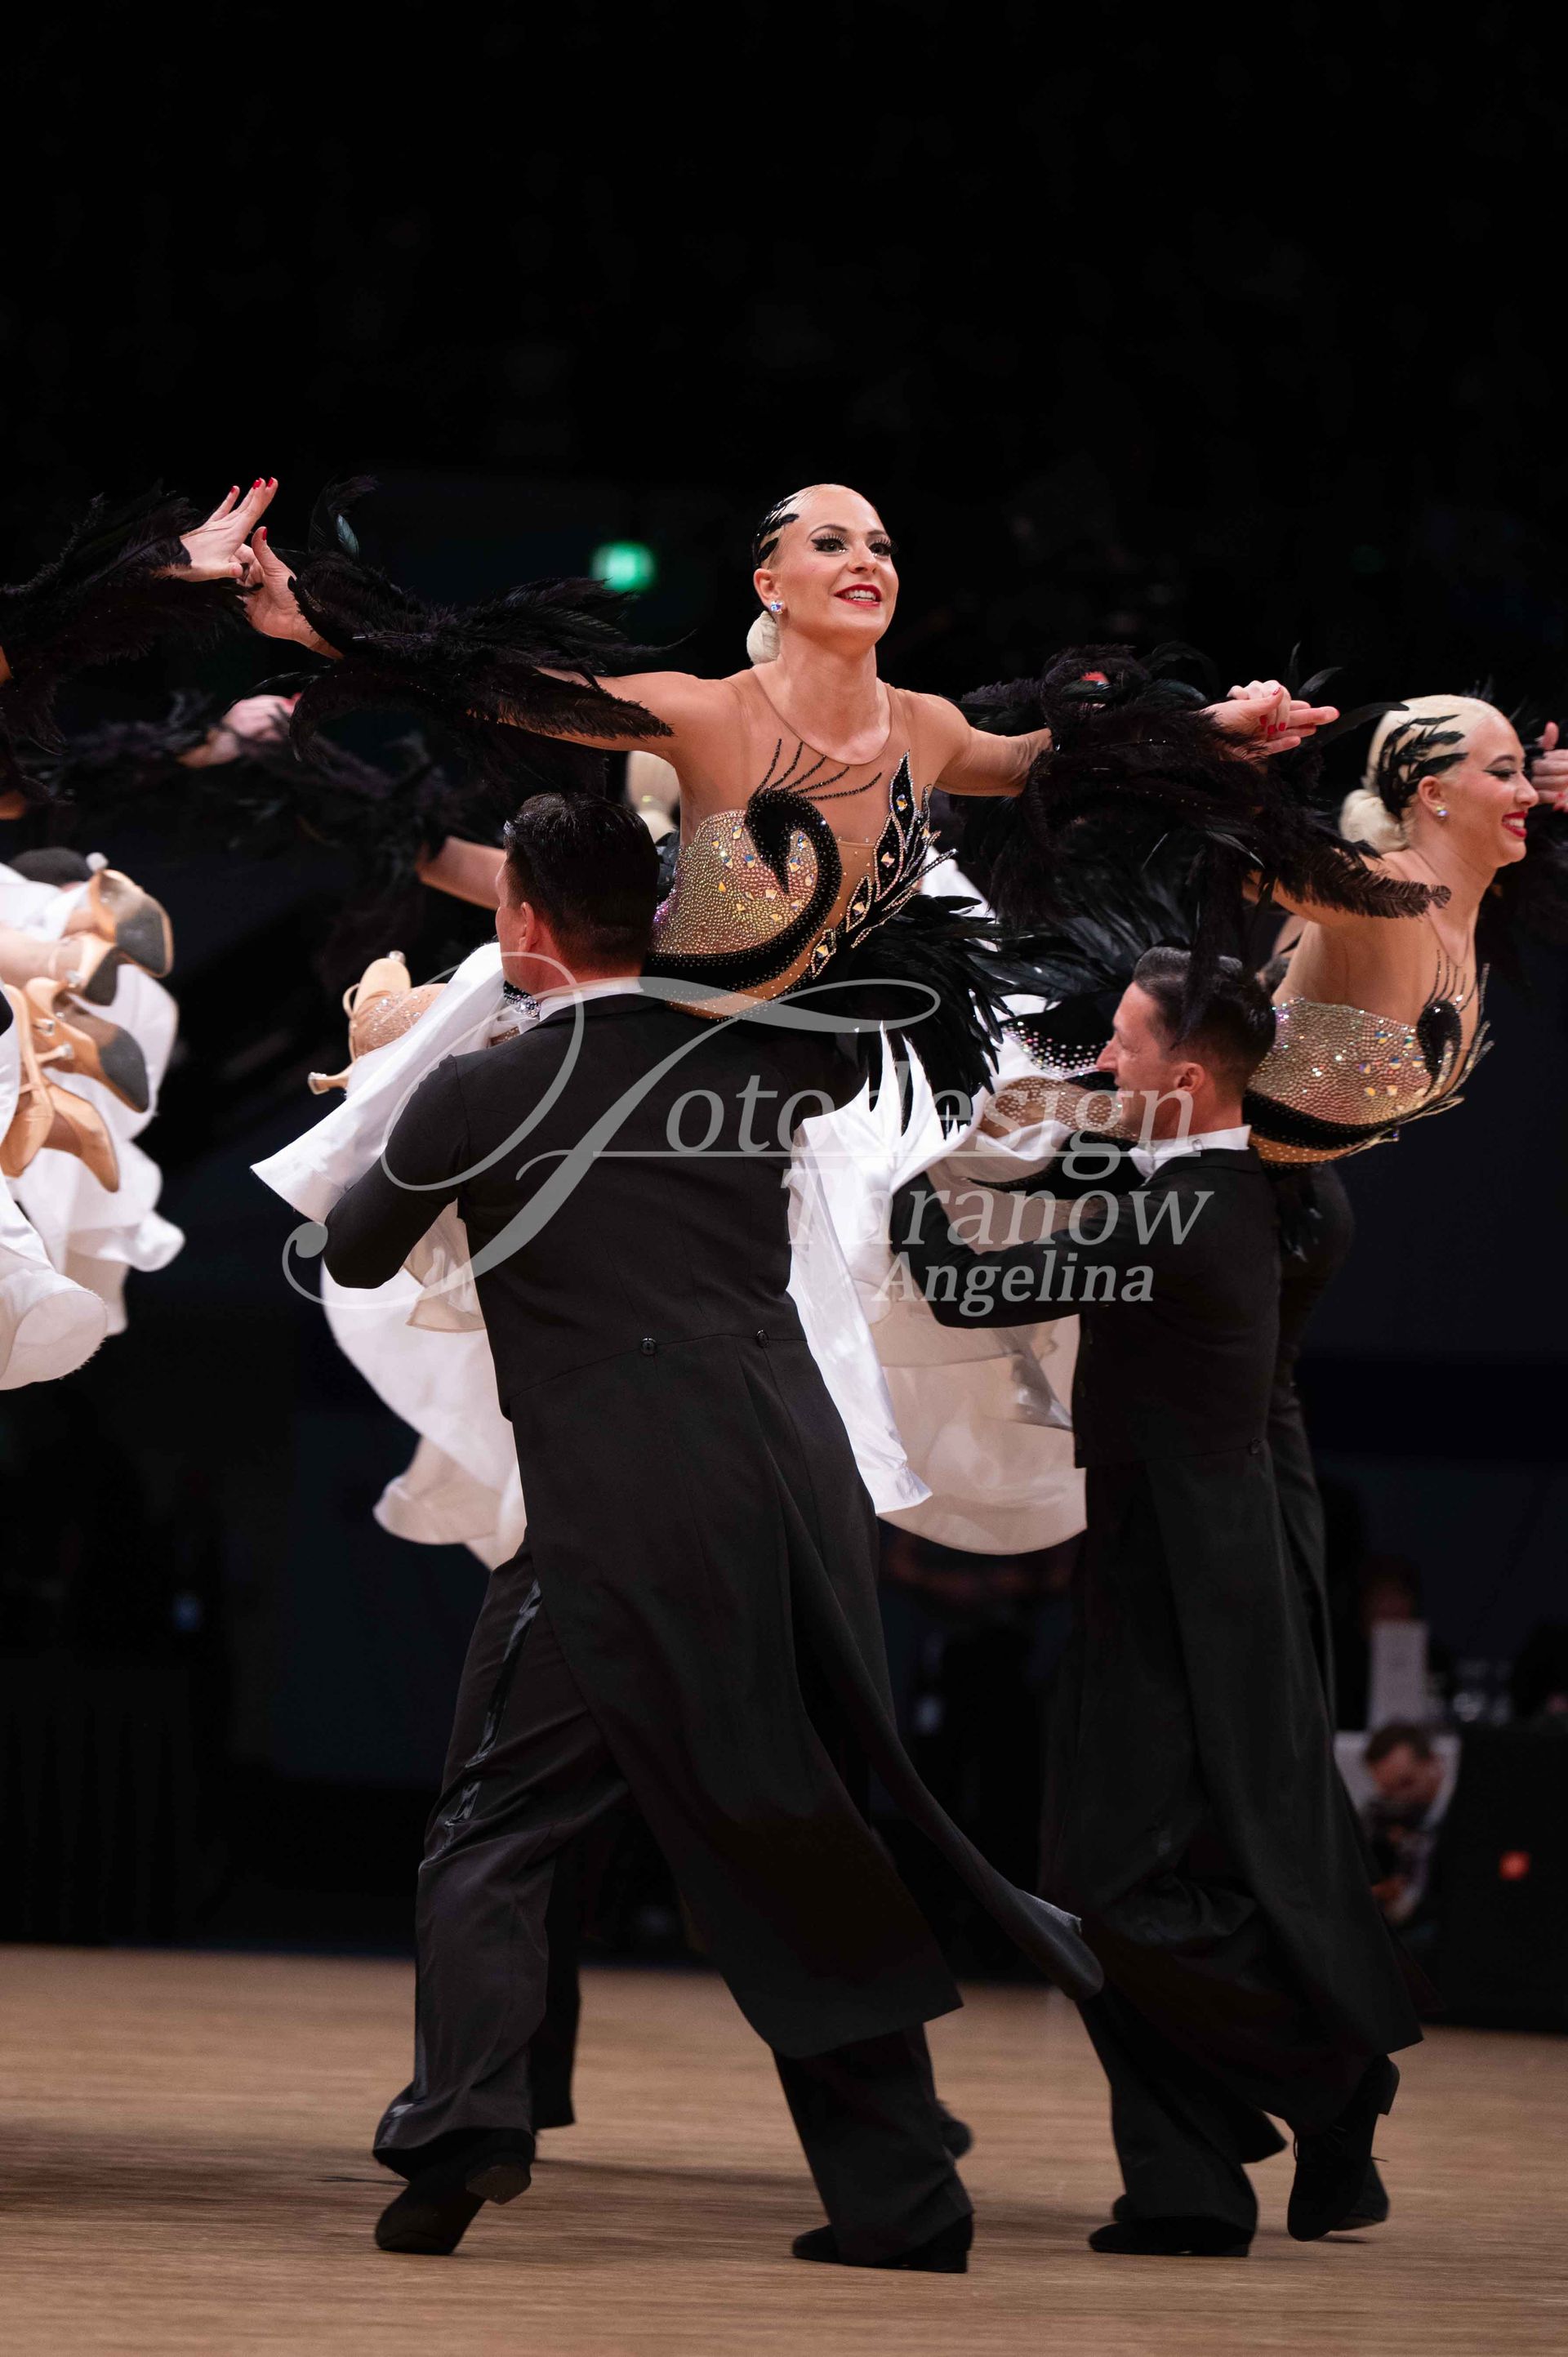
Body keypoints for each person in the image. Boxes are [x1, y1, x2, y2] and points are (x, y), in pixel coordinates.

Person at [313, 791, 1098, 2267]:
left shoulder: (489, 1086)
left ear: (522, 925)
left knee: (495, 1826)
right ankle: (904, 2198)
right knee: (791, 1820)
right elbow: (871, 1005)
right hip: (796, 1480)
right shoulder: (755, 1051)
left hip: (622, 1501)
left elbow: (350, 1252)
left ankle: (465, 2127)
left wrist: (403, 1083)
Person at [890, 947, 1423, 2257]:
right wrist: (1030, 1120)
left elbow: (962, 1280)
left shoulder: (1183, 1212)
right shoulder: (1228, 1183)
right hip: (1168, 1544)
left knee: (1107, 1890)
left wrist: (898, 1180)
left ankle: (1329, 2074)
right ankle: (1186, 2186)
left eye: (1125, 1045)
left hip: (1196, 1570)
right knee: (1126, 1875)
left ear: (1185, 1079)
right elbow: (1079, 1162)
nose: (1102, 1062)